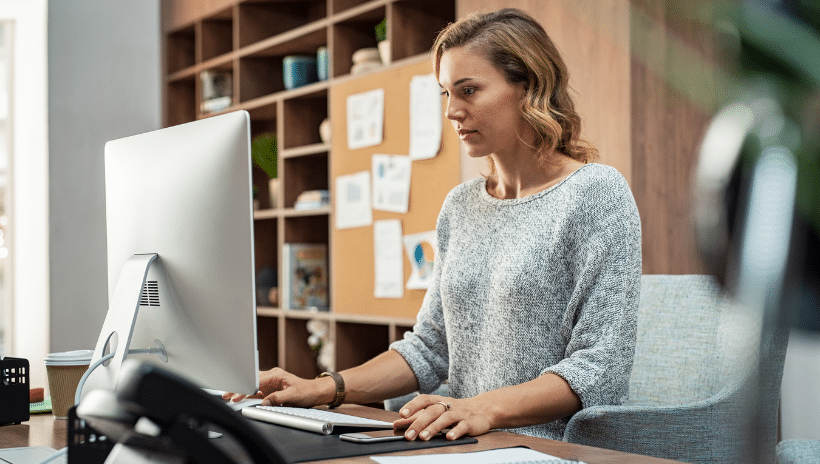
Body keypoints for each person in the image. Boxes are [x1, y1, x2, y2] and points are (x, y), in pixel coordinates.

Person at [226, 8, 641, 442]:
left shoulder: (597, 193)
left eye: (468, 90)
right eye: (446, 93)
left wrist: (481, 408)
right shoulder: (460, 206)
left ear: (528, 86)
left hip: (548, 449)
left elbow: (601, 366)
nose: (452, 111)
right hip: (463, 445)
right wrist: (324, 388)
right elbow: (429, 348)